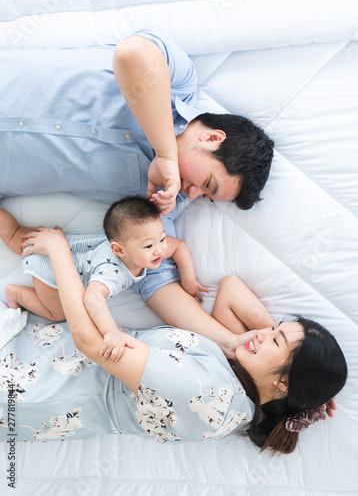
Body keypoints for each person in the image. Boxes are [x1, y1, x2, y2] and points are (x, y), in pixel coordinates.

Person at [0, 30, 274, 345]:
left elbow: (156, 285)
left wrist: (230, 343)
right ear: (212, 138)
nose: (195, 193)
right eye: (208, 183)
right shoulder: (179, 84)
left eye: (207, 197)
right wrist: (166, 153)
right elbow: (132, 53)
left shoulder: (151, 203)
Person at [0, 227, 347, 454]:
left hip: (28, 379)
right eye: (275, 328)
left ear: (282, 381)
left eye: (275, 340)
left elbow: (92, 343)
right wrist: (296, 377)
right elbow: (229, 290)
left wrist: (58, 252)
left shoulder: (208, 393)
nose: (262, 332)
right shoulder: (238, 389)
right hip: (35, 361)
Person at [0, 197, 207, 361]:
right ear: (119, 249)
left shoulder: (155, 247)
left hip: (63, 243)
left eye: (161, 238)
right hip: (51, 269)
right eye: (148, 246)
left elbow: (178, 246)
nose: (159, 250)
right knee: (57, 313)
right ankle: (16, 293)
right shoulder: (112, 272)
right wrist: (111, 332)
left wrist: (188, 279)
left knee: (16, 235)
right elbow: (92, 298)